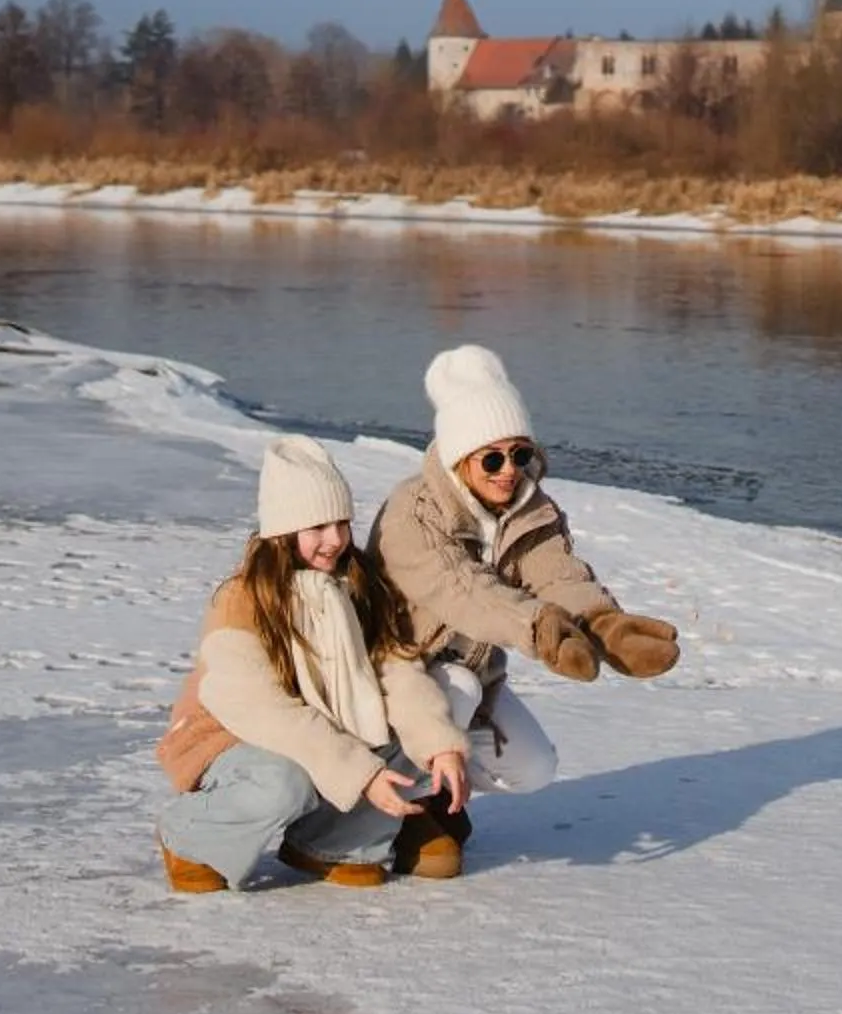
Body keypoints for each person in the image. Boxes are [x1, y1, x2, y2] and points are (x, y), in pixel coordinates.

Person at [368, 346, 683, 809]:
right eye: (492, 459)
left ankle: (440, 798)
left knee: (533, 767)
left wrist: (604, 624)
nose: (510, 470)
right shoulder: (413, 515)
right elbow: (465, 592)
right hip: (395, 670)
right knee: (459, 686)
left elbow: (557, 575)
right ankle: (394, 820)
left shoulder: (528, 507)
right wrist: (539, 628)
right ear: (460, 460)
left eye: (519, 453)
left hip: (475, 675)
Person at [156, 435, 472, 893]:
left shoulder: (357, 585)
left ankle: (332, 843)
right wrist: (359, 772)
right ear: (283, 532)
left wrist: (439, 744)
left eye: (342, 522)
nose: (335, 540)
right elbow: (259, 708)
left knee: (416, 733)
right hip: (230, 733)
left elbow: (397, 671)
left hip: (322, 725)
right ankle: (190, 838)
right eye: (317, 526)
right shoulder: (242, 599)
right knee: (286, 781)